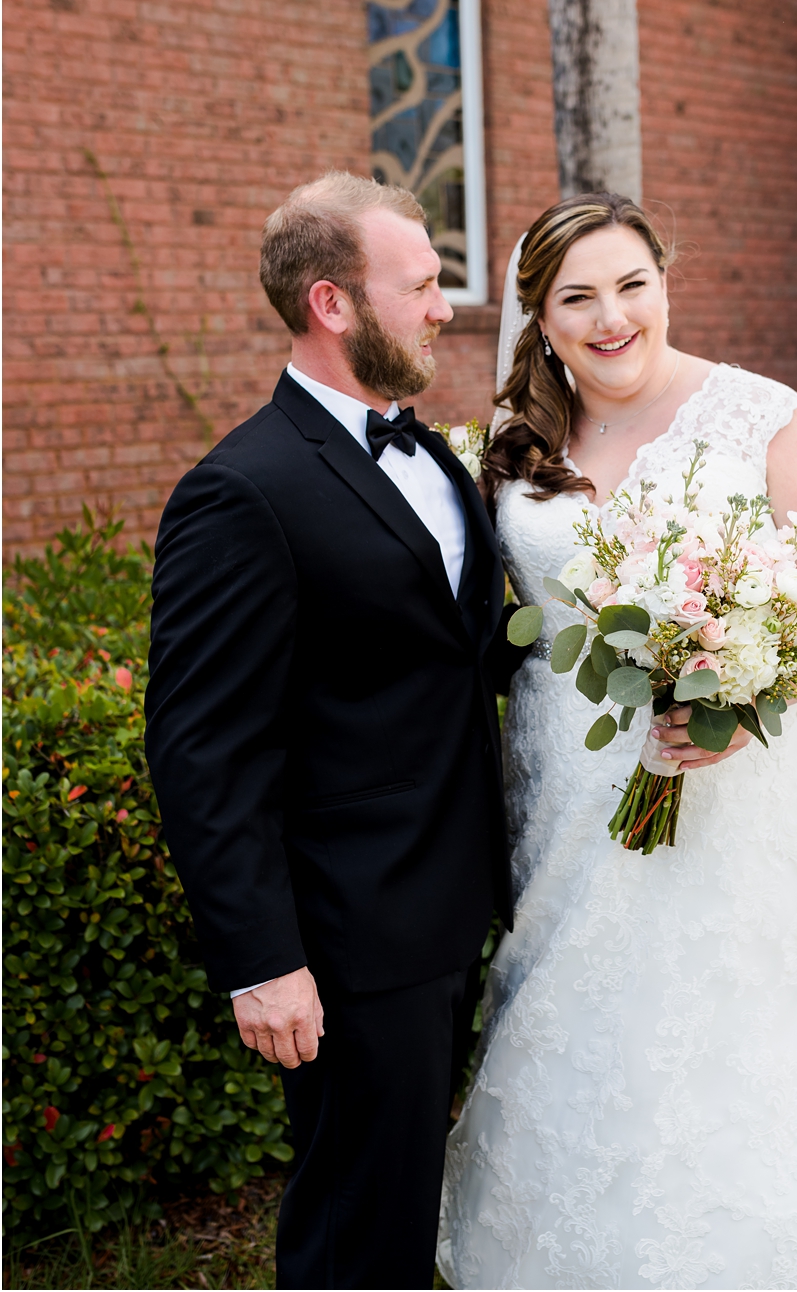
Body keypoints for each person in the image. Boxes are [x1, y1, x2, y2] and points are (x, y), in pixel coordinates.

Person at [437, 192, 797, 1290]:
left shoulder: (759, 415)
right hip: (571, 779)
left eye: (630, 284)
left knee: (736, 1013)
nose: (611, 318)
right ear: (536, 316)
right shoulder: (513, 445)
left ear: (664, 277)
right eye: (576, 297)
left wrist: (759, 690)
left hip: (743, 774)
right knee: (580, 1004)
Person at [144, 171, 525, 1291]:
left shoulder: (431, 453)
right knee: (355, 1221)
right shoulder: (241, 491)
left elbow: (450, 652)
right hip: (348, 931)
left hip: (450, 902)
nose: (443, 304)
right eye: (420, 284)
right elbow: (202, 745)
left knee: (405, 1198)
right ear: (333, 304)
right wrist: (263, 959)